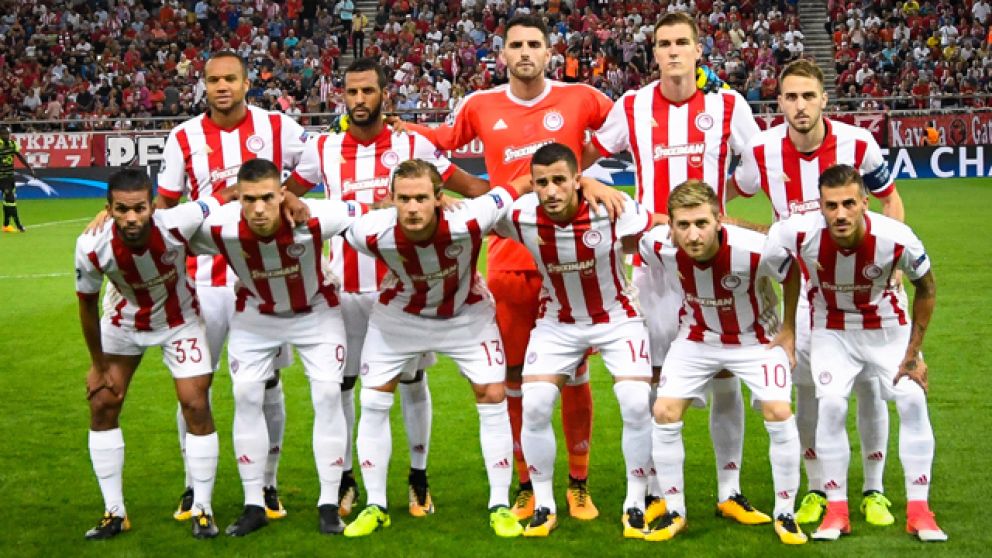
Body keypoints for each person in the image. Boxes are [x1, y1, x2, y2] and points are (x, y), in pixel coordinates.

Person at [406, 14, 624, 522]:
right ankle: (526, 482)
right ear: (501, 54)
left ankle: (577, 481)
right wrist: (482, 192)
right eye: (516, 45)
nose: (525, 52)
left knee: (573, 374)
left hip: (571, 260)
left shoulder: (582, 98)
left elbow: (622, 128)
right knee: (513, 376)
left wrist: (582, 175)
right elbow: (431, 147)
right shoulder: (479, 106)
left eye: (534, 44)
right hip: (508, 261)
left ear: (550, 52)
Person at [285, 57, 490, 518]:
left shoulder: (413, 142)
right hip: (348, 290)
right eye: (352, 92)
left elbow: (468, 186)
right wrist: (293, 200)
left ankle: (418, 477)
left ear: (384, 95)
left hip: (408, 292)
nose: (359, 101)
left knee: (412, 380)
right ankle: (345, 480)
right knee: (346, 386)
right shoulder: (324, 150)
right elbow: (287, 193)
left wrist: (481, 196)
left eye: (368, 92)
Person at [586, 11, 766, 525]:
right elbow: (592, 153)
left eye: (681, 42)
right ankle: (648, 490)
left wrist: (721, 209)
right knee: (652, 377)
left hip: (713, 259)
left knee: (726, 371)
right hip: (653, 263)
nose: (672, 51)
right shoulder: (633, 105)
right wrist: (596, 187)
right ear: (655, 52)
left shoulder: (729, 105)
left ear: (697, 49)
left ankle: (729, 490)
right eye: (663, 43)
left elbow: (752, 175)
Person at [733, 58, 905, 527]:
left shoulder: (857, 142)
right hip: (804, 292)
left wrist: (890, 262)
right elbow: (732, 193)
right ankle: (816, 488)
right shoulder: (762, 149)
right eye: (790, 96)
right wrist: (751, 230)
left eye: (809, 95)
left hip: (862, 285)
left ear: (825, 98)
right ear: (779, 102)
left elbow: (889, 197)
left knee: (870, 387)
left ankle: (873, 489)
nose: (800, 105)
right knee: (808, 390)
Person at [340, 159, 523, 539]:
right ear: (391, 199)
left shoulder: (471, 218)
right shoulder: (371, 232)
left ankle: (499, 504)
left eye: (421, 198)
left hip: (466, 314)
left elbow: (520, 185)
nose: (411, 207)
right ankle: (376, 505)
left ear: (440, 199)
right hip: (399, 316)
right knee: (373, 400)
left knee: (492, 394)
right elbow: (333, 216)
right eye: (403, 199)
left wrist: (586, 183)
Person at [764, 164, 946, 543]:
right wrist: (788, 327)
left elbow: (926, 288)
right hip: (832, 330)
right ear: (821, 206)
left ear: (865, 203)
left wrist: (913, 353)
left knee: (912, 399)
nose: (841, 214)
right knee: (830, 405)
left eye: (849, 203)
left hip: (886, 327)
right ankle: (836, 510)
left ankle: (919, 511)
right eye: (832, 206)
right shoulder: (796, 233)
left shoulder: (897, 238)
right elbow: (780, 267)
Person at [157, 50, 303, 521]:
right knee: (194, 388)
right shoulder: (184, 137)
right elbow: (165, 206)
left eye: (231, 79)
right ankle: (190, 484)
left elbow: (321, 159)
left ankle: (268, 483)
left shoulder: (278, 127)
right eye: (214, 80)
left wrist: (290, 194)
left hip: (265, 279)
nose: (222, 87)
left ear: (246, 84)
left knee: (267, 384)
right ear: (205, 85)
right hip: (202, 281)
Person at [190, 159, 361, 537]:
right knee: (246, 394)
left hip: (316, 311)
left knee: (329, 395)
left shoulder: (317, 217)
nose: (259, 208)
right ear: (238, 199)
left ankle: (329, 506)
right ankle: (255, 504)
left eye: (268, 197)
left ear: (283, 194)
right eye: (249, 199)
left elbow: (365, 211)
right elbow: (168, 229)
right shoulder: (220, 226)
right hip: (256, 313)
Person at [494, 143, 654, 538]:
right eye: (542, 183)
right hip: (557, 322)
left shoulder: (614, 208)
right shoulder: (519, 216)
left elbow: (664, 224)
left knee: (635, 401)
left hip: (618, 318)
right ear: (532, 184)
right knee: (534, 405)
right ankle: (544, 504)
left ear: (577, 180)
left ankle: (635, 501)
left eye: (560, 181)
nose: (551, 191)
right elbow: (470, 218)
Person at [638, 179, 805, 544]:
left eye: (701, 223)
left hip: (755, 339)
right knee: (664, 411)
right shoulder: (656, 245)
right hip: (697, 337)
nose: (693, 235)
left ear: (719, 221)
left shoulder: (756, 249)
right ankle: (674, 509)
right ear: (671, 225)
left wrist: (789, 328)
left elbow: (792, 272)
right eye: (683, 225)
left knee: (779, 412)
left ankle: (785, 513)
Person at [75, 169, 231, 540]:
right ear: (108, 208)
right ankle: (114, 512)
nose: (131, 217)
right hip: (123, 321)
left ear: (153, 206)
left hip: (180, 321)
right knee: (103, 403)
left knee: (195, 404)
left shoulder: (178, 222)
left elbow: (227, 194)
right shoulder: (91, 244)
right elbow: (85, 303)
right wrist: (98, 366)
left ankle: (203, 508)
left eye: (139, 208)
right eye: (122, 209)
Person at [0, 126, 35, 233]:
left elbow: (19, 156)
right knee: (11, 199)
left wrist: (29, 168)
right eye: (4, 134)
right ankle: (18, 225)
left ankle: (6, 225)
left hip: (10, 176)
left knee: (8, 200)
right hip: (1, 177)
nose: (7, 136)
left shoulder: (12, 144)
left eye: (8, 134)